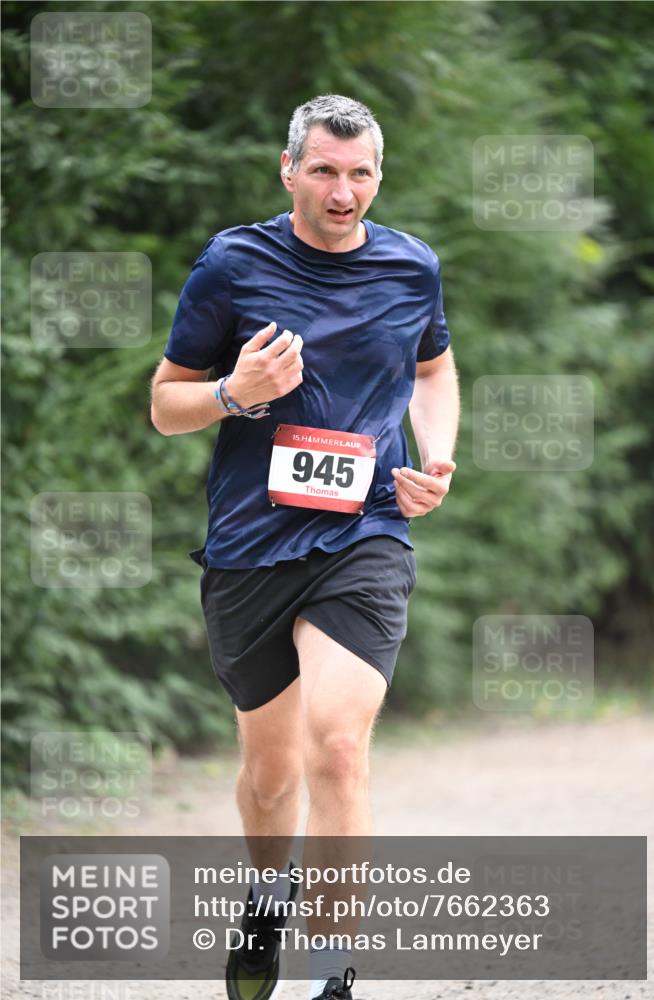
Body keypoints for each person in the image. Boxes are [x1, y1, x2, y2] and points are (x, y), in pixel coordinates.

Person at [151, 94, 460, 1000]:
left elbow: (432, 369)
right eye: (324, 169)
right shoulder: (233, 263)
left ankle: (333, 975)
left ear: (378, 174)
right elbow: (167, 403)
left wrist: (436, 456)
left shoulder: (411, 268)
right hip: (250, 546)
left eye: (360, 172)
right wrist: (233, 392)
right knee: (271, 772)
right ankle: (262, 894)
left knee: (337, 749)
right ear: (288, 169)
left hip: (364, 531)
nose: (343, 190)